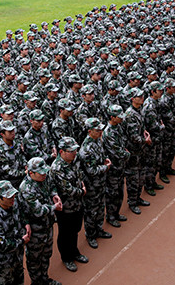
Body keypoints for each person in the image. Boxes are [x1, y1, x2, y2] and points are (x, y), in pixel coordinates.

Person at [18, 157, 62, 285]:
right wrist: (54, 207)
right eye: (41, 173)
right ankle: (37, 282)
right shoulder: (26, 189)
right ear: (31, 173)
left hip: (47, 225)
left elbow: (51, 185)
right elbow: (38, 211)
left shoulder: (43, 177)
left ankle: (45, 278)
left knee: (46, 254)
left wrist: (54, 194)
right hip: (35, 230)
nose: (44, 175)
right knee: (35, 259)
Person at [48, 137, 88, 272]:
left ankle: (74, 251)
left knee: (75, 230)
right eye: (71, 151)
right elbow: (68, 189)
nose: (74, 153)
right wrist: (82, 191)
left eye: (75, 150)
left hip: (77, 204)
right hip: (66, 207)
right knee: (65, 233)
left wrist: (81, 185)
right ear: (61, 152)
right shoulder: (57, 168)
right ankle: (66, 258)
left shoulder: (73, 161)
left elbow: (79, 176)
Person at [0, 180, 30, 285]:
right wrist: (22, 241)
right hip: (3, 264)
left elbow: (21, 213)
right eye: (8, 197)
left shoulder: (13, 203)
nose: (12, 198)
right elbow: (1, 245)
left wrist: (26, 223)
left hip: (17, 257)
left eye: (13, 195)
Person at [78, 117, 112, 249]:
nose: (100, 132)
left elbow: (102, 155)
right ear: (90, 131)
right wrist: (106, 167)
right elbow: (91, 171)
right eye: (97, 130)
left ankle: (99, 229)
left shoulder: (97, 140)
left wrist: (106, 159)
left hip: (100, 182)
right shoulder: (86, 149)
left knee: (100, 207)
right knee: (91, 211)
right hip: (92, 185)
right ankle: (91, 234)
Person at [103, 105, 130, 228]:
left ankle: (116, 213)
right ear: (112, 117)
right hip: (113, 168)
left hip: (120, 166)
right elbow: (117, 152)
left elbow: (123, 142)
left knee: (119, 191)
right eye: (118, 117)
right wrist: (127, 154)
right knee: (112, 193)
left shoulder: (118, 127)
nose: (121, 118)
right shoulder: (108, 132)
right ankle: (111, 216)